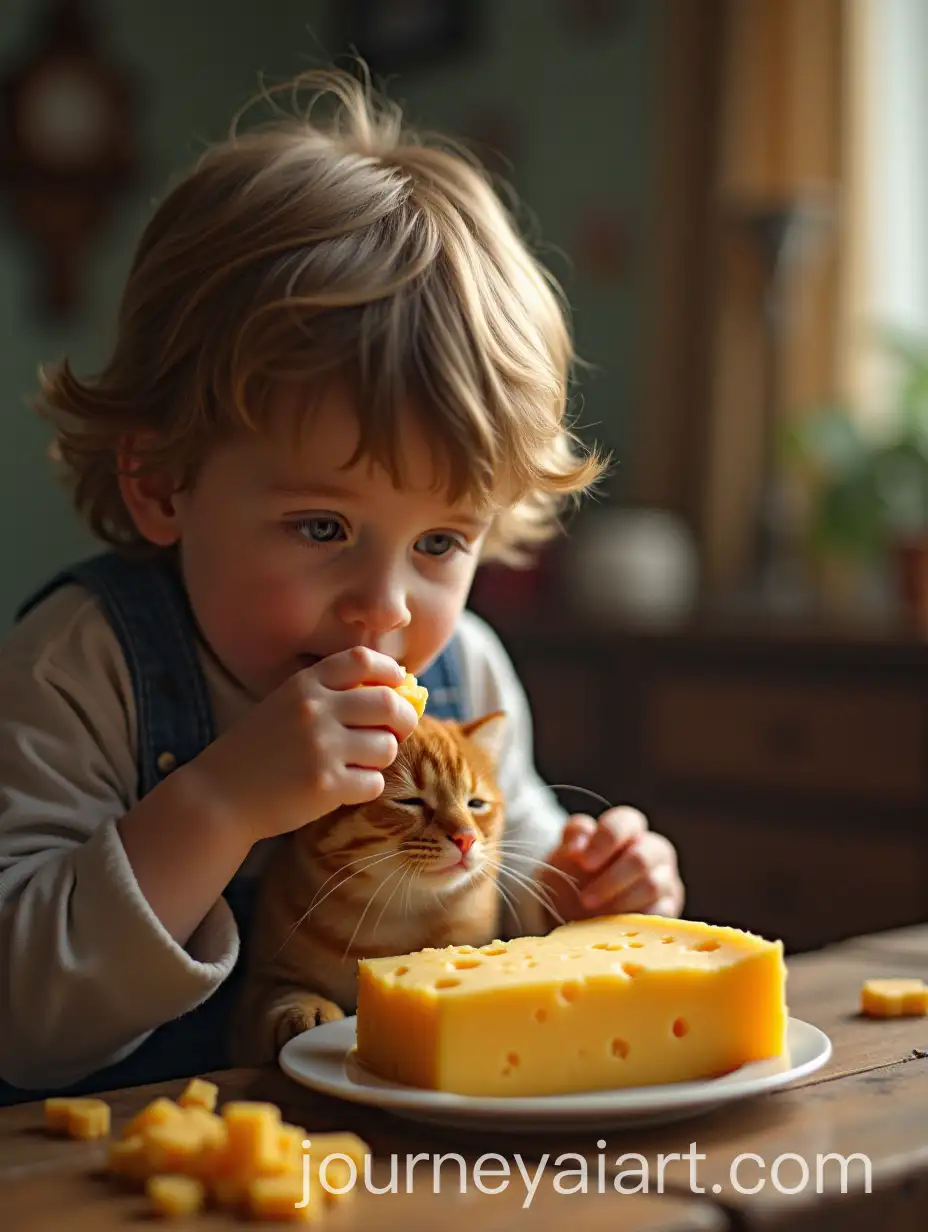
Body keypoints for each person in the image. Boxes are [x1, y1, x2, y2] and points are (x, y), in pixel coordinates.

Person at [0, 66, 683, 1104]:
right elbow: (20, 1014)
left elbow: (519, 893)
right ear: (160, 484)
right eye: (324, 525)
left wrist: (599, 893)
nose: (389, 609)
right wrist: (223, 798)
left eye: (443, 540)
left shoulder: (462, 675)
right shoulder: (83, 667)